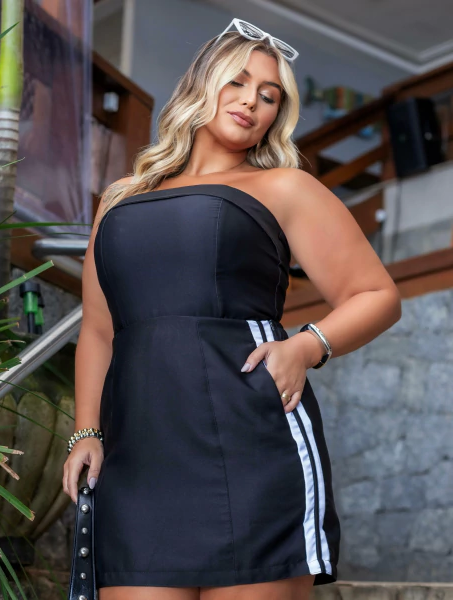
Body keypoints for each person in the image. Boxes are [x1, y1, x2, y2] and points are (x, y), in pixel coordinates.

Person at [63, 18, 402, 600]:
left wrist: (305, 346)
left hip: (252, 447)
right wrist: (86, 431)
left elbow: (378, 295)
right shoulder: (120, 199)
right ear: (201, 83)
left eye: (269, 96)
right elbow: (98, 330)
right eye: (238, 82)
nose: (251, 102)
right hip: (137, 458)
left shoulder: (286, 188)